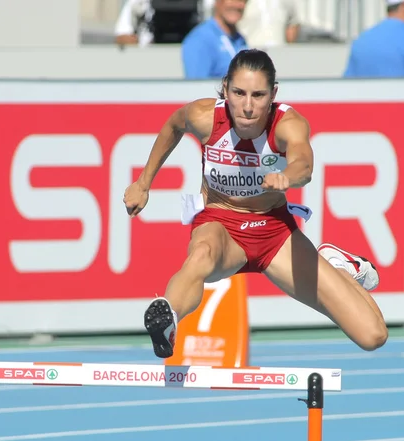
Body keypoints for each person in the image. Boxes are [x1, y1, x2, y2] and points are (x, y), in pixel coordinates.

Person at [123, 49, 388, 357]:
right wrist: (143, 183)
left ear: (273, 94)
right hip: (220, 222)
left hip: (275, 235)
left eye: (258, 96)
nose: (247, 107)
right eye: (239, 93)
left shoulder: (287, 124)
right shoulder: (204, 117)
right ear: (225, 89)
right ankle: (169, 319)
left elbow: (304, 164)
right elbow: (173, 126)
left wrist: (287, 176)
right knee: (202, 256)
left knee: (373, 336)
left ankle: (335, 264)